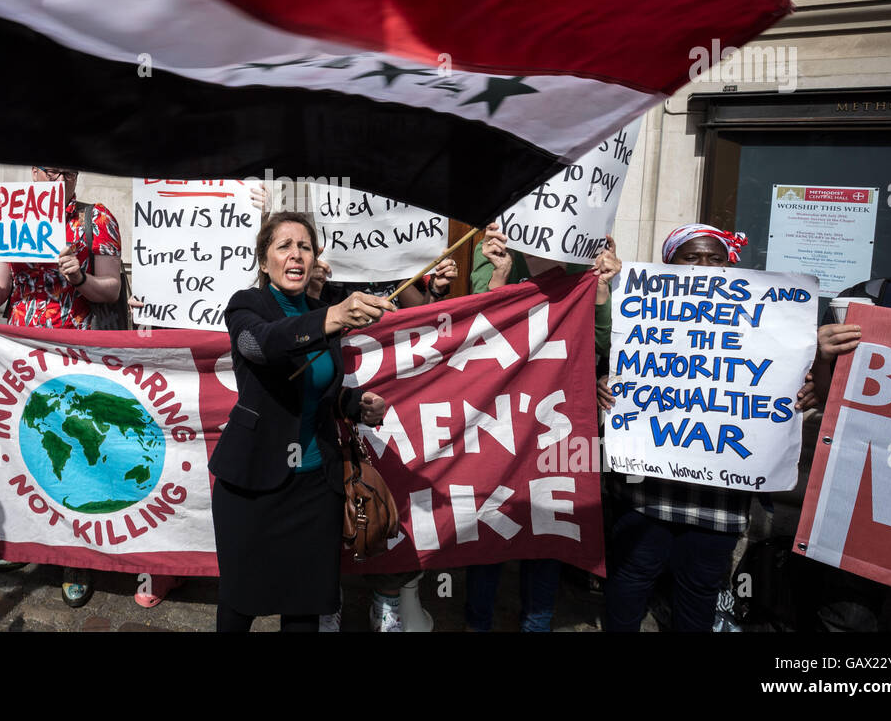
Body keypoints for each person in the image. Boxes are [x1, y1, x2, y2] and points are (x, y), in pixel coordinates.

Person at [0, 165, 123, 608]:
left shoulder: (95, 219)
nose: (59, 179)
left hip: (77, 352)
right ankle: (30, 542)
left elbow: (112, 289)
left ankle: (76, 556)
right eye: (51, 170)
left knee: (78, 452)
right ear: (34, 172)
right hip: (21, 354)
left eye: (67, 171)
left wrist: (80, 278)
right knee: (31, 446)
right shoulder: (15, 217)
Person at [211, 211, 392, 632]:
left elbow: (316, 389)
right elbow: (263, 347)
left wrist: (352, 404)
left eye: (305, 246)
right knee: (239, 606)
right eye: (284, 246)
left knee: (305, 609)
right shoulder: (247, 305)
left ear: (315, 258)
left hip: (316, 489)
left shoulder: (321, 311)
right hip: (252, 485)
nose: (296, 254)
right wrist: (332, 318)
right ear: (263, 261)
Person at [600, 223, 761, 632]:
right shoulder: (636, 310)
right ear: (669, 263)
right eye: (692, 257)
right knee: (631, 577)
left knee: (700, 586)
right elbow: (603, 356)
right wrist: (603, 382)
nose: (704, 266)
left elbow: (778, 379)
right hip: (647, 484)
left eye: (715, 258)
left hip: (721, 488)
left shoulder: (761, 321)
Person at [464, 222, 620, 632]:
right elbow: (476, 336)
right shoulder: (493, 256)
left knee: (548, 531)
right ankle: (478, 624)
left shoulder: (582, 268)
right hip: (497, 425)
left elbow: (597, 345)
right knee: (489, 528)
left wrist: (601, 289)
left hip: (556, 427)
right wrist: (499, 273)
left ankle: (537, 623)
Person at [803, 198, 891, 631]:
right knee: (850, 619)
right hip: (867, 501)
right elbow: (830, 402)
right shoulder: (867, 302)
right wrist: (822, 357)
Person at [312, 250, 457, 631]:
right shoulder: (313, 258)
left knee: (393, 491)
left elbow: (423, 317)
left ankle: (388, 596)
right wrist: (314, 281)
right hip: (333, 390)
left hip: (395, 393)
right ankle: (328, 597)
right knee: (327, 495)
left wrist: (436, 290)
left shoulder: (400, 251)